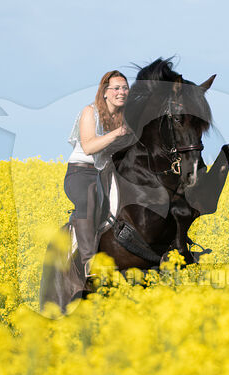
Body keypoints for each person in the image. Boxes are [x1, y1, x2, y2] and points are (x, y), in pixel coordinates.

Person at [64, 70, 129, 285]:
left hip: (108, 171)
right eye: (117, 88)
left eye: (125, 87)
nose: (122, 92)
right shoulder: (89, 112)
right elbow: (90, 146)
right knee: (89, 198)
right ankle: (88, 260)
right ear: (105, 92)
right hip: (82, 172)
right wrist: (117, 133)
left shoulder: (126, 116)